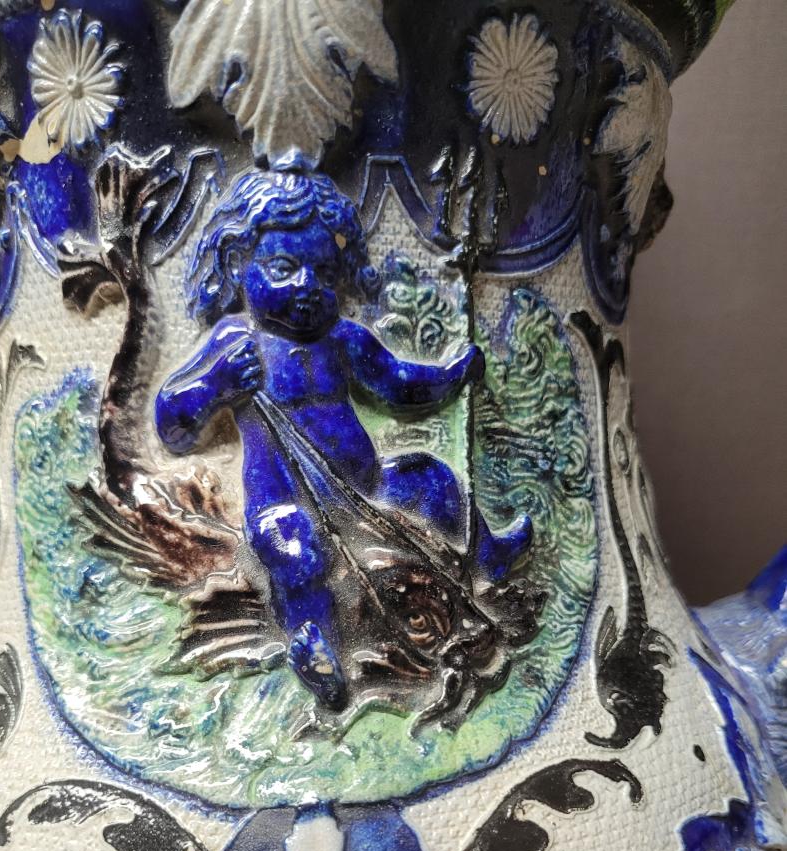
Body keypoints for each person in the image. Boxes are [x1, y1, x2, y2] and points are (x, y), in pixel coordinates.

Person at [155, 169, 531, 710]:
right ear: (238, 266)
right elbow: (172, 421)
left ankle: (489, 558)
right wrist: (215, 384)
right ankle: (316, 648)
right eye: (283, 268)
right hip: (286, 505)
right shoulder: (239, 342)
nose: (308, 286)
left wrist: (451, 375)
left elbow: (398, 383)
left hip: (367, 490)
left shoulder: (342, 339)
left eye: (325, 273)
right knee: (297, 555)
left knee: (432, 479)